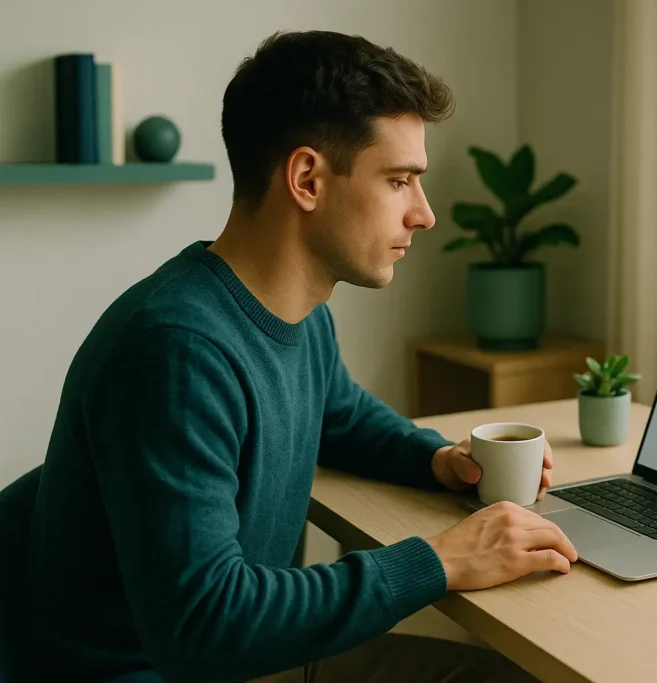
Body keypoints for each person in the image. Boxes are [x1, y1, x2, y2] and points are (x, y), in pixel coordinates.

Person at [14, 30, 579, 683]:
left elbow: (340, 416)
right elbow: (204, 624)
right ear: (307, 177)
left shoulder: (296, 318)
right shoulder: (176, 352)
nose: (423, 214)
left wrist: (436, 457)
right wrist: (440, 560)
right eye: (400, 181)